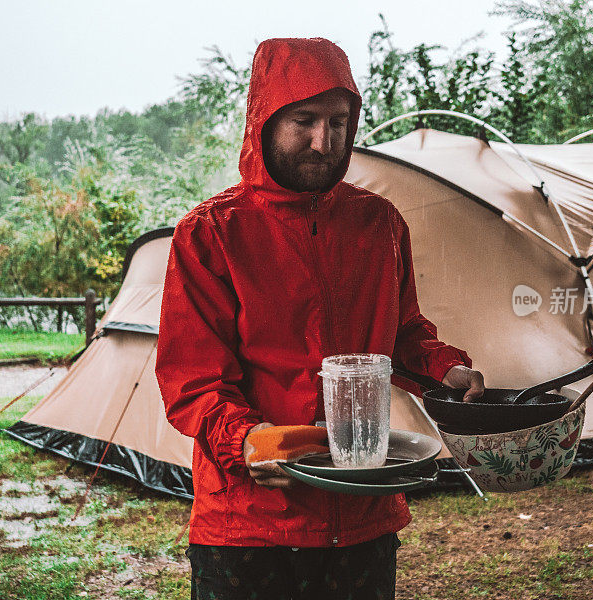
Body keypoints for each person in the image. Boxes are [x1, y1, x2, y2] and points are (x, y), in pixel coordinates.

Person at [155, 37, 484, 600]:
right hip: (249, 524)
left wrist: (446, 372)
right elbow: (193, 382)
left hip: (362, 516)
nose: (322, 141)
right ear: (265, 119)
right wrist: (249, 439)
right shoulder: (212, 234)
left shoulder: (379, 224)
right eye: (303, 120)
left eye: (338, 122)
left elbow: (403, 337)